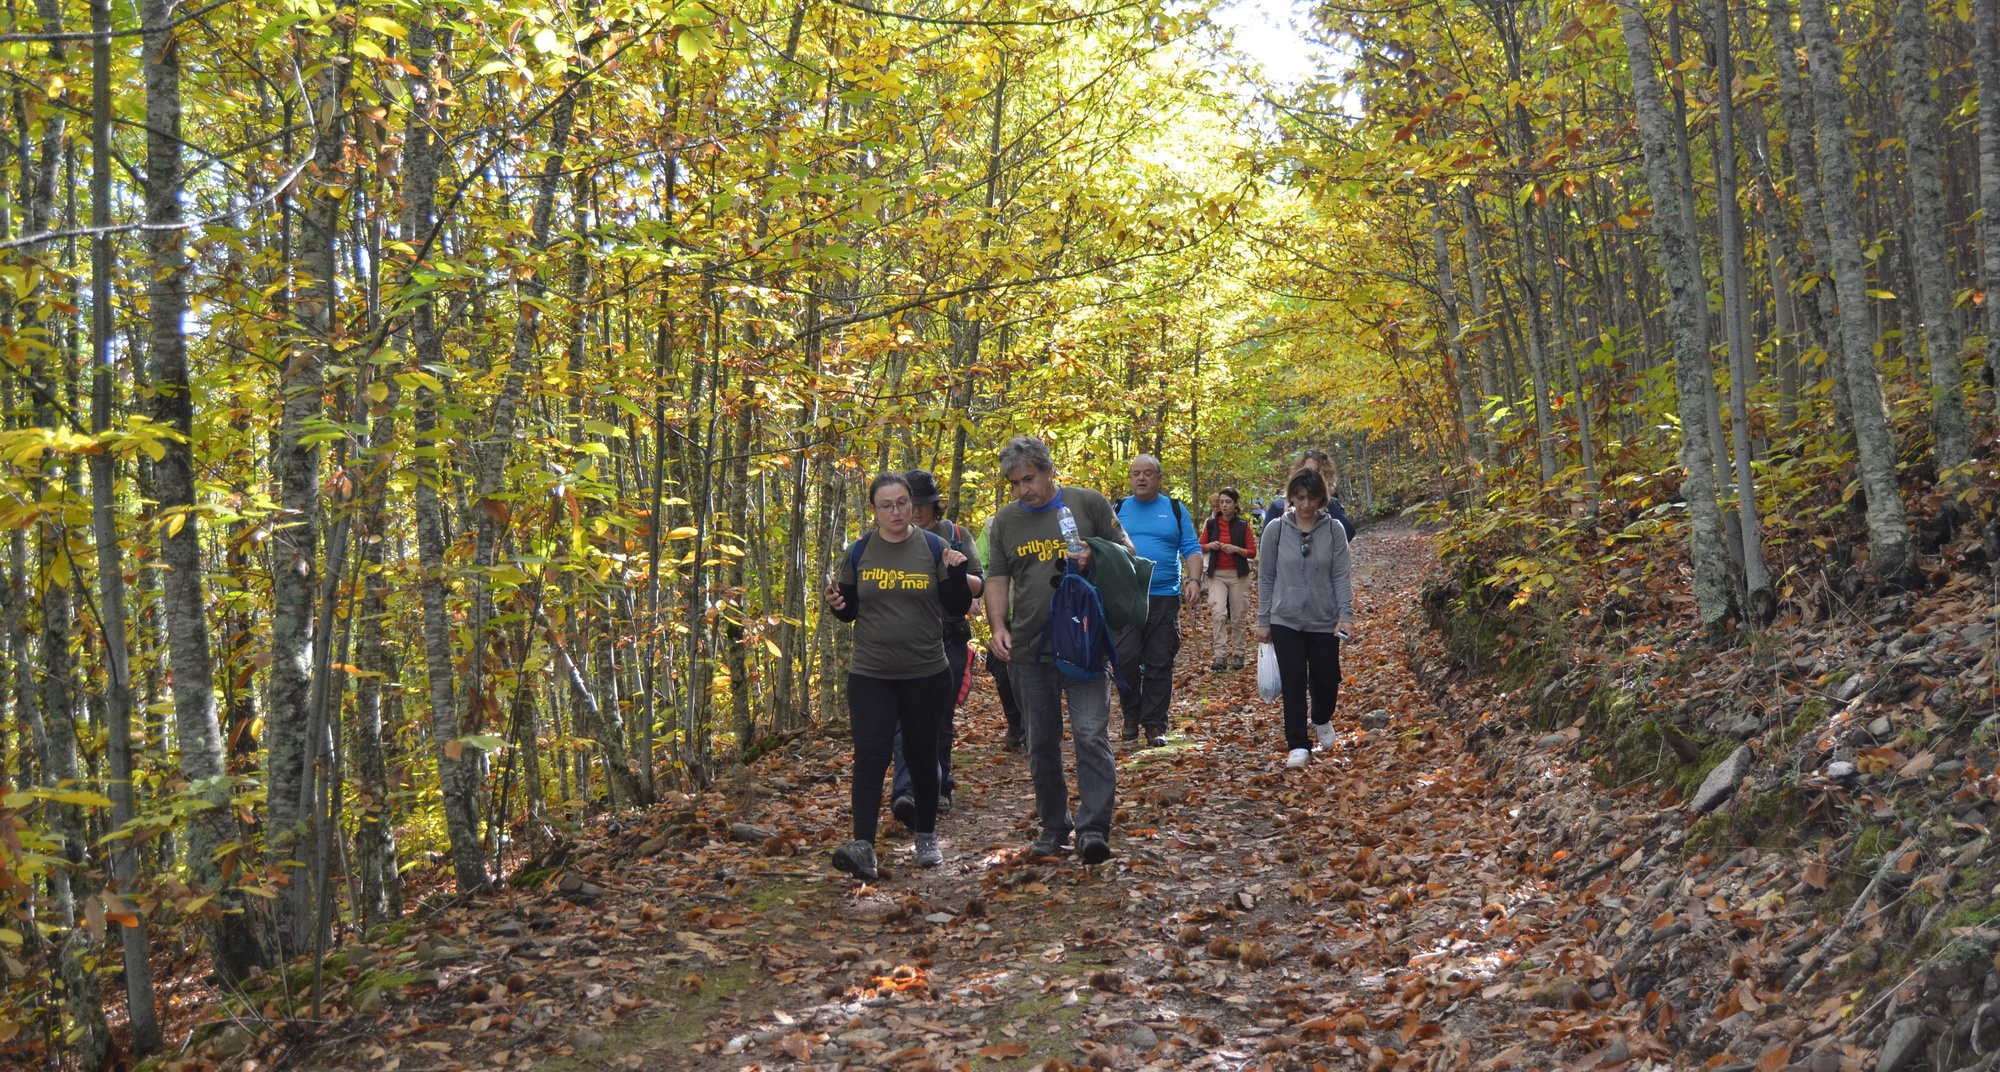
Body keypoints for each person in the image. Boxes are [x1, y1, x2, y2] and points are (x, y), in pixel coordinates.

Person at [984, 436, 1131, 864]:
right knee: (1041, 742)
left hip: (1084, 644)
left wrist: (1094, 554)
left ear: (1050, 471)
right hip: (1029, 648)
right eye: (1014, 483)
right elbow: (997, 578)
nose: (1022, 489)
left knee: (1090, 735)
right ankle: (1054, 826)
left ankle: (1093, 829)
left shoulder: (1088, 504)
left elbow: (1129, 553)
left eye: (1029, 479)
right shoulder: (1005, 521)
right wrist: (998, 627)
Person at [824, 473, 974, 879]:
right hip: (871, 673)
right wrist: (836, 604)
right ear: (873, 509)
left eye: (902, 503)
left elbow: (955, 608)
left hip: (926, 672)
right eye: (886, 505)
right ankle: (863, 846)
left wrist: (957, 572)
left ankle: (926, 835)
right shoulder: (859, 551)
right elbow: (849, 610)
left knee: (922, 754)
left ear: (912, 505)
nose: (896, 511)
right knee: (870, 756)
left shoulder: (933, 547)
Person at [888, 469, 983, 824]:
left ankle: (939, 786)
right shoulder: (889, 539)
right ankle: (907, 792)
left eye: (924, 504)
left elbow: (980, 584)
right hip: (904, 642)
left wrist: (955, 570)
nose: (917, 511)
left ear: (935, 505)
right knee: (904, 719)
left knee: (940, 718)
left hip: (949, 638)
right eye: (911, 503)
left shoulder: (956, 536)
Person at [1255, 466, 1356, 770]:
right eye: (1300, 497)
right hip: (1285, 618)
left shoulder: (1334, 530)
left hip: (1324, 618)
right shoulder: (1276, 529)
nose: (1306, 504)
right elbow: (1266, 576)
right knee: (1294, 682)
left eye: (1312, 498)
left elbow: (1341, 575)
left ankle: (1322, 718)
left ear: (1321, 499)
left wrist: (1346, 615)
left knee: (1327, 678)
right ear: (1291, 498)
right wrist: (1264, 619)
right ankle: (1298, 744)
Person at [1113, 456, 1204, 747]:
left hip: (1164, 597)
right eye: (1136, 474)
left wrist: (1194, 580)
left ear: (1159, 478)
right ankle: (1131, 711)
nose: (1141, 478)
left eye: (1147, 473)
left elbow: (1191, 548)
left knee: (1160, 661)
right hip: (1126, 598)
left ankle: (1154, 724)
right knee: (1123, 658)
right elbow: (1102, 548)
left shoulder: (1174, 509)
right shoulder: (1118, 509)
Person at [1201, 487, 1257, 671]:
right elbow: (1199, 546)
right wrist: (1210, 545)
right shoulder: (1211, 524)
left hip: (1238, 575)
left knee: (1238, 615)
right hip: (1216, 575)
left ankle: (1239, 654)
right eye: (1222, 502)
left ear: (1235, 504)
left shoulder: (1243, 525)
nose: (1224, 506)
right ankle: (1220, 656)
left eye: (1228, 502)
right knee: (1218, 613)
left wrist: (1235, 549)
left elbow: (1252, 552)